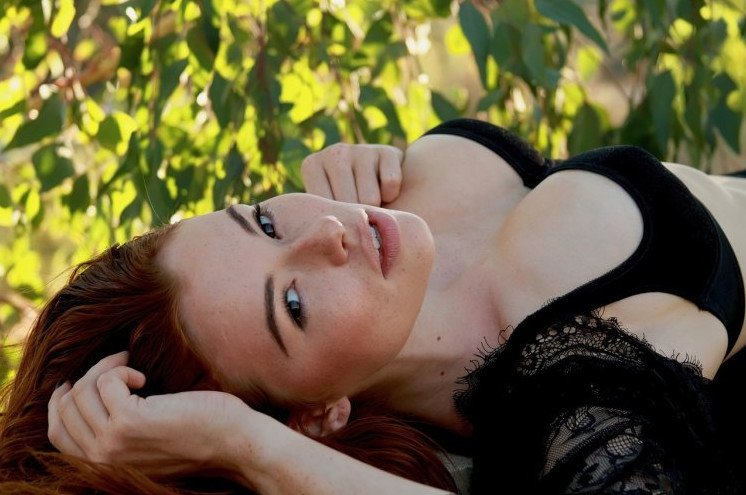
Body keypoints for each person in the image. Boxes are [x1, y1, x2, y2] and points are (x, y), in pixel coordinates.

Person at [2, 118, 745, 493]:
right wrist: (243, 444)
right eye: (293, 303)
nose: (326, 232)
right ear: (316, 415)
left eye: (263, 221)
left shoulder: (379, 205)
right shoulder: (570, 390)